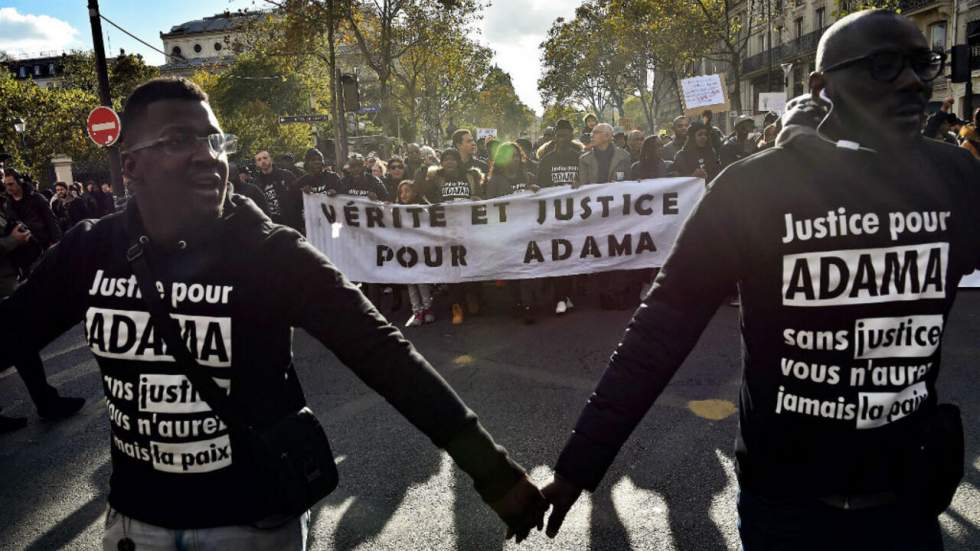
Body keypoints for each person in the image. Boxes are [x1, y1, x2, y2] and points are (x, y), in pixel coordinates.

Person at [0, 77, 548, 549]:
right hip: (134, 526)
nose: (208, 154)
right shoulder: (89, 250)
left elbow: (385, 354)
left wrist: (491, 470)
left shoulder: (270, 252)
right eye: (179, 139)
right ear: (131, 166)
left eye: (215, 139)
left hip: (251, 526)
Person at [542, 10, 980, 551]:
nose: (914, 81)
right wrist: (578, 466)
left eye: (923, 63)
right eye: (884, 66)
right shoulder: (752, 189)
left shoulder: (958, 179)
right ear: (822, 87)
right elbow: (662, 327)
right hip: (786, 507)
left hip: (907, 502)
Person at [0, 200, 85, 434]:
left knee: (22, 344)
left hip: (9, 284)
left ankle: (47, 402)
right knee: (20, 344)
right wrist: (11, 241)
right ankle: (47, 403)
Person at [422, 149, 484, 324]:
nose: (449, 162)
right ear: (441, 162)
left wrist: (477, 198)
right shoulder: (435, 178)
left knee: (471, 264)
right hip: (446, 230)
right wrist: (426, 170)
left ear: (458, 161)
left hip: (468, 228)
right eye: (446, 159)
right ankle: (457, 306)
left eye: (453, 159)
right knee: (453, 268)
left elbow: (481, 196)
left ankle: (473, 298)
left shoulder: (470, 176)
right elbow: (424, 194)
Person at [536, 119, 583, 316]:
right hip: (554, 215)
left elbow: (589, 182)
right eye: (559, 135)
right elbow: (541, 187)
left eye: (566, 135)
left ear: (571, 136)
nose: (562, 139)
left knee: (573, 255)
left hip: (577, 214)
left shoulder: (581, 158)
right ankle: (560, 297)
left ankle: (567, 295)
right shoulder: (546, 161)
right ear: (554, 137)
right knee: (558, 256)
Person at [3, 169, 62, 277]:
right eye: (6, 184)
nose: (8, 187)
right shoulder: (8, 205)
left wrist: (56, 244)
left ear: (19, 182)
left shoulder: (36, 198)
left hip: (43, 248)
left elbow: (52, 221)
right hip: (23, 254)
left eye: (11, 184)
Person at [397, 180, 436, 327]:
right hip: (405, 251)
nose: (403, 194)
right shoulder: (396, 210)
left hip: (419, 249)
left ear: (415, 193)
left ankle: (428, 308)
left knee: (422, 280)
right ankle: (417, 311)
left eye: (407, 191)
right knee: (410, 282)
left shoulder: (422, 208)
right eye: (401, 192)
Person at [254, 150, 300, 230]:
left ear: (271, 159)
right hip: (272, 226)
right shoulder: (256, 183)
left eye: (265, 158)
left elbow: (299, 197)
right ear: (257, 164)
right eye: (259, 159)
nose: (263, 161)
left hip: (292, 223)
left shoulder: (286, 175)